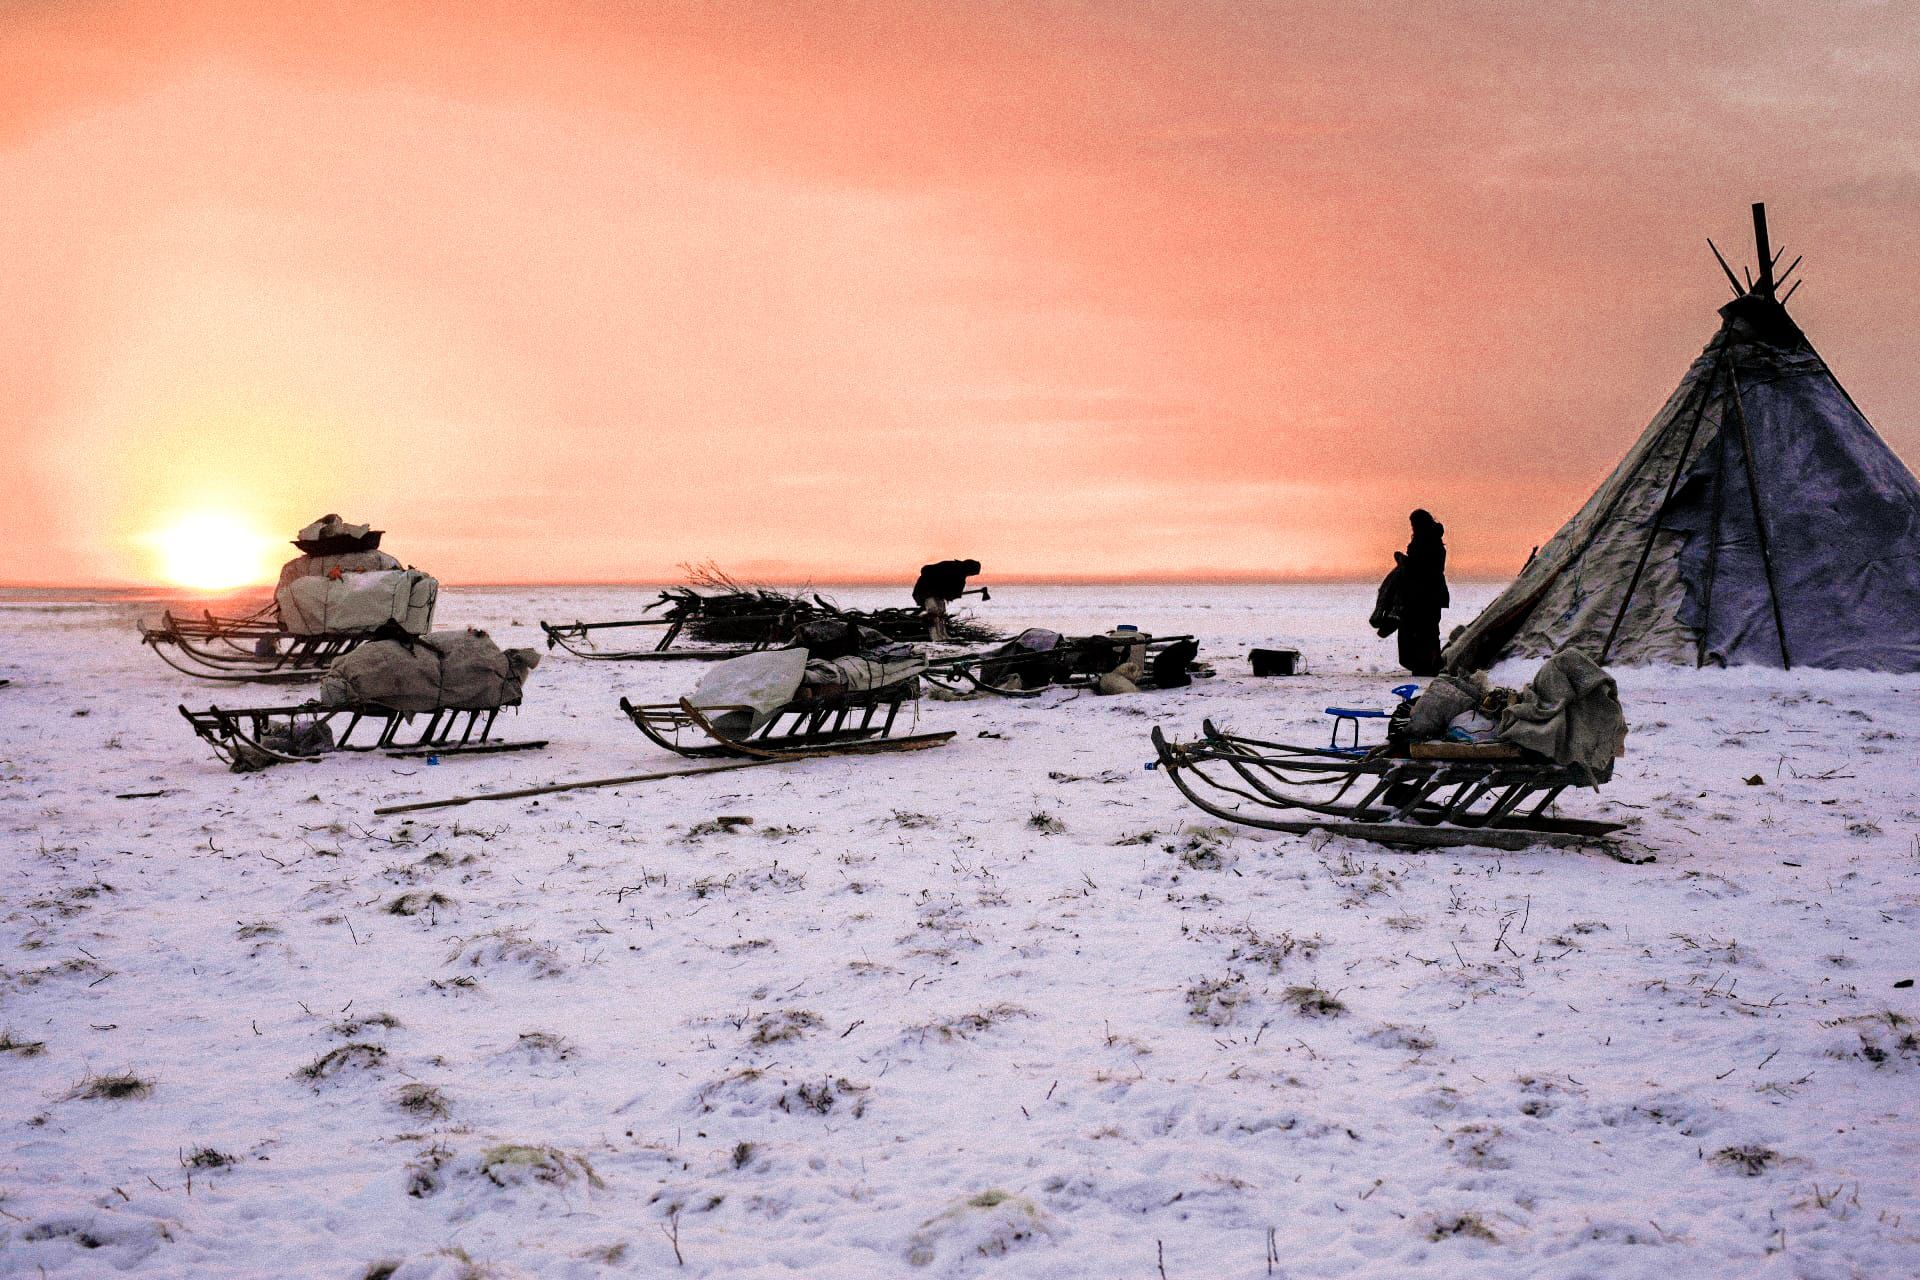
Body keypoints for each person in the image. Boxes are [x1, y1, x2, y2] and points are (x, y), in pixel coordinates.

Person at [1392, 510, 1449, 676]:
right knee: (1428, 630)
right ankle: (1428, 664)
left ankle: (1425, 665)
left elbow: (1421, 568)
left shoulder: (1426, 542)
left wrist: (1405, 561)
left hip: (1423, 594)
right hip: (1430, 593)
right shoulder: (1434, 541)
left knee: (1420, 631)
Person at [911, 559, 981, 642]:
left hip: (937, 594)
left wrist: (949, 594)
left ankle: (943, 635)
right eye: (971, 573)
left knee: (941, 613)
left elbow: (954, 588)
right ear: (968, 568)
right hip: (926, 592)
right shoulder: (950, 567)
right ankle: (935, 637)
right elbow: (926, 570)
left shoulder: (960, 573)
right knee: (934, 613)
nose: (970, 575)